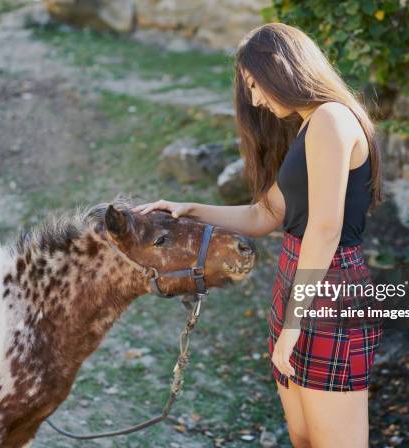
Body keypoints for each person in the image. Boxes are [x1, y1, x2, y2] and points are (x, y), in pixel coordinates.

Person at [132, 22, 383, 448]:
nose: (254, 98)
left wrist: (293, 325)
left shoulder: (330, 120)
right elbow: (265, 214)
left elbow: (325, 229)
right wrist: (187, 210)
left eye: (254, 84)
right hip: (300, 281)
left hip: (328, 288)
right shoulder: (310, 126)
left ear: (281, 69)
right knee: (304, 438)